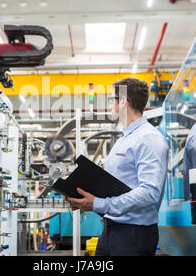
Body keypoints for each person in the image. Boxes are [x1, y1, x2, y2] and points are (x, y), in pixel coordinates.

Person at [67, 77, 169, 256]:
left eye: (110, 100)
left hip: (134, 235)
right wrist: (86, 200)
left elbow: (149, 192)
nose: (108, 106)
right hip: (111, 230)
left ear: (123, 101)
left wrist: (100, 204)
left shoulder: (149, 138)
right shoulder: (124, 139)